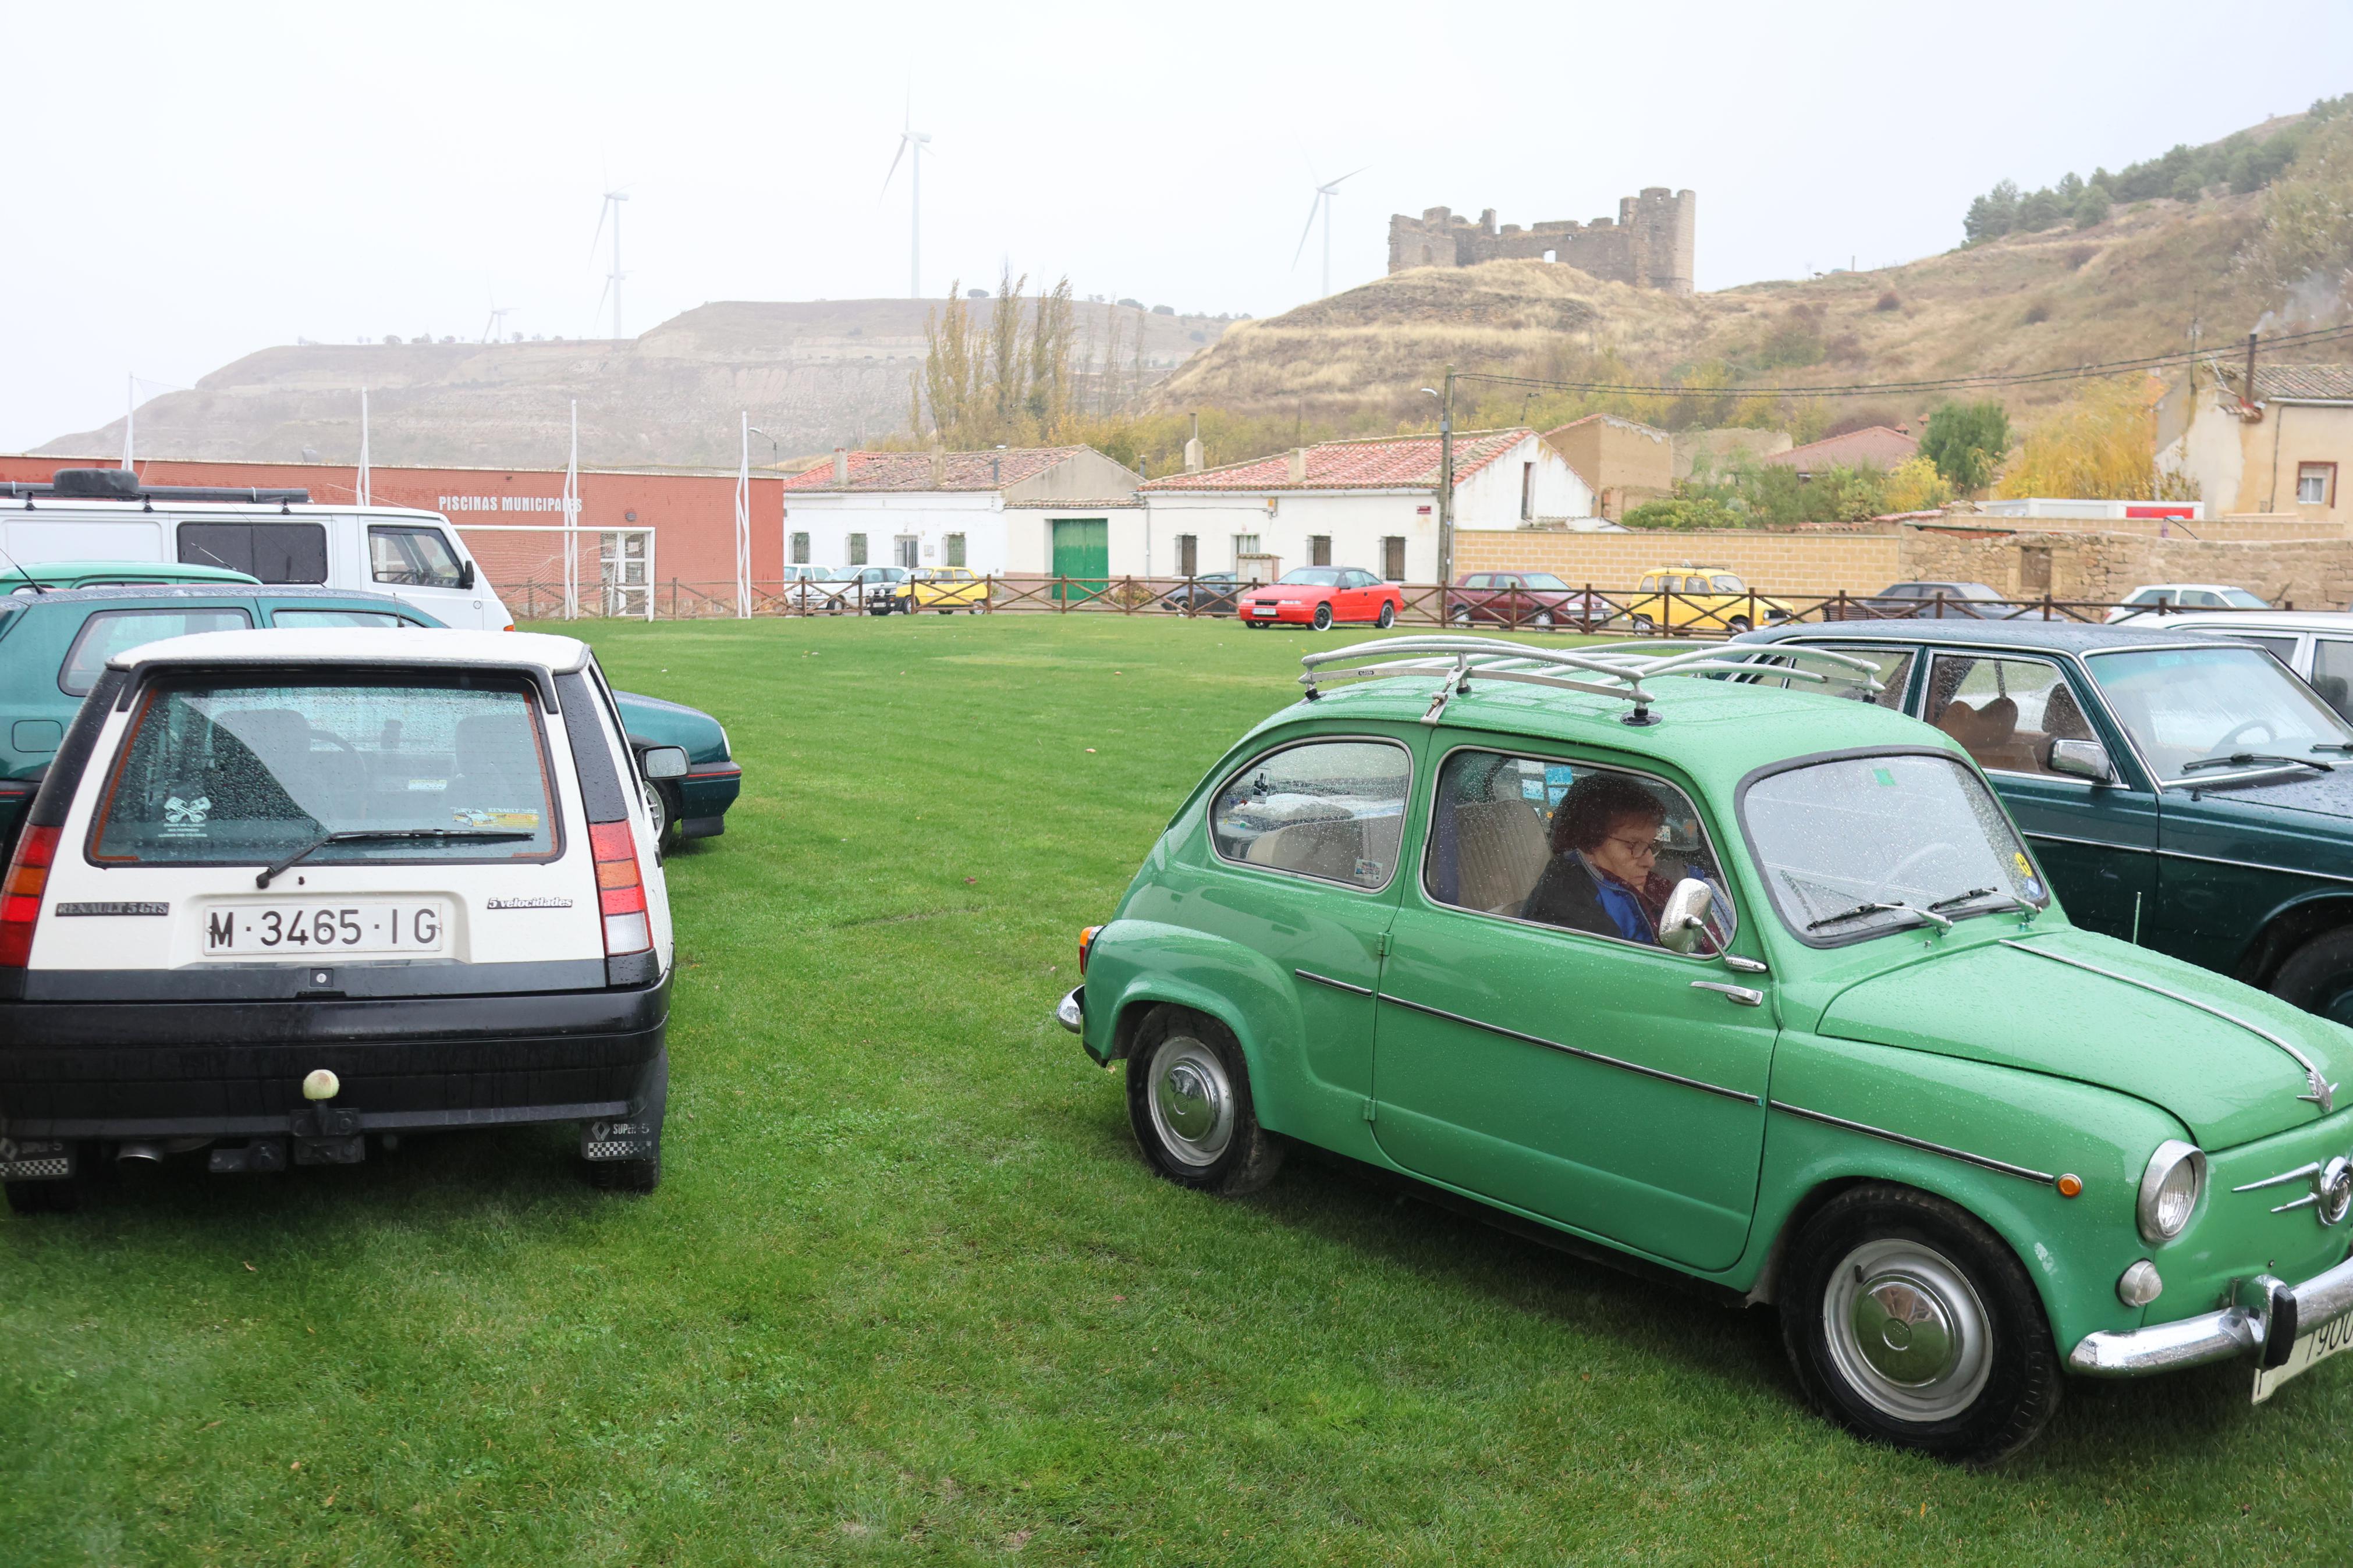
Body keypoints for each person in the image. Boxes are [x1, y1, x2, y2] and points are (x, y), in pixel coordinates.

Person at [1521, 771, 1691, 945]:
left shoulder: (1617, 886)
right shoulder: (1568, 906)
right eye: (1634, 845)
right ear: (1590, 839)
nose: (1650, 862)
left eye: (1650, 846)